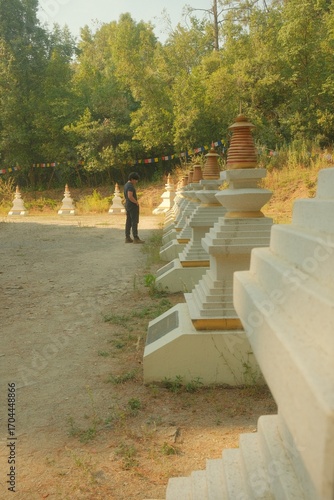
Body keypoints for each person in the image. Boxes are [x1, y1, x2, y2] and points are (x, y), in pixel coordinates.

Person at [123, 172, 145, 244]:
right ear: (132, 179)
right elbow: (130, 196)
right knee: (134, 221)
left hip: (128, 205)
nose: (136, 181)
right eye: (135, 180)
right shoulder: (130, 186)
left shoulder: (126, 185)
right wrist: (136, 202)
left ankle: (127, 237)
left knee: (128, 221)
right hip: (132, 205)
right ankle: (135, 237)